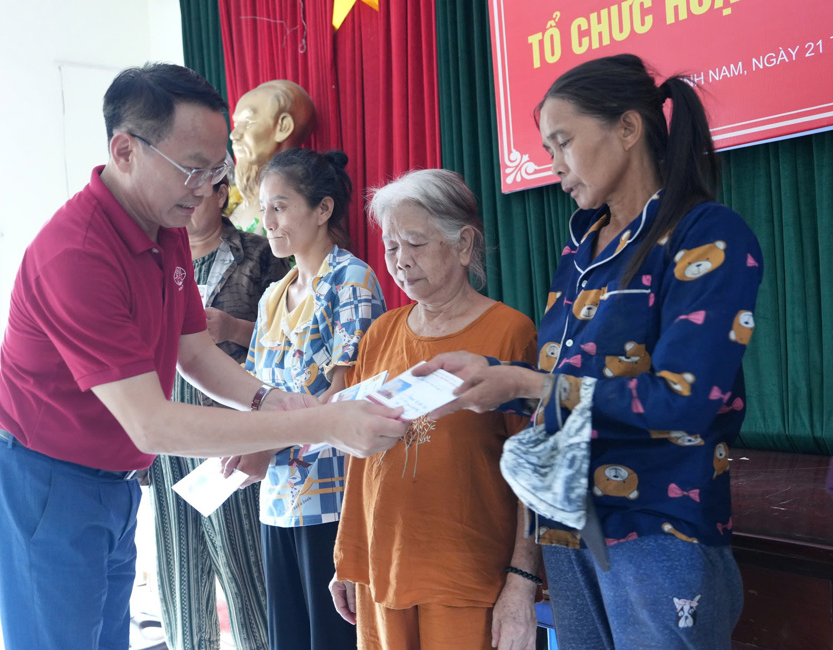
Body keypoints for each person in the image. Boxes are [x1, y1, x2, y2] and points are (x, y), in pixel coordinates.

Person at [0, 63, 407, 650]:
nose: (206, 188)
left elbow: (194, 352)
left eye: (217, 169)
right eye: (191, 169)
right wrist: (323, 421)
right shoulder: (77, 254)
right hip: (45, 481)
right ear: (125, 150)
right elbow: (152, 422)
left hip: (116, 481)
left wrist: (271, 400)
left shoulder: (164, 226)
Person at [418, 54, 764, 649]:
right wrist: (494, 376)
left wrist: (526, 386)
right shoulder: (582, 248)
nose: (553, 166)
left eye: (563, 142)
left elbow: (682, 400)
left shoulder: (705, 233)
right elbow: (570, 385)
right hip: (569, 528)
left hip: (659, 531)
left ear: (627, 130)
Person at [328, 169, 541, 650]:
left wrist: (521, 580)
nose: (400, 262)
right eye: (391, 247)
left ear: (464, 244)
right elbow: (359, 458)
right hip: (381, 572)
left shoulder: (509, 332)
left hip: (468, 577)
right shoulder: (380, 333)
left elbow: (534, 469)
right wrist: (347, 557)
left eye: (415, 244)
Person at [223, 147, 384, 650]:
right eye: (263, 208)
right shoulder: (274, 294)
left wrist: (267, 445)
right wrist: (242, 442)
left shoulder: (351, 280)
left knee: (333, 638)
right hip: (276, 498)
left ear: (323, 210)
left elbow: (345, 396)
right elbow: (254, 391)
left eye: (280, 206)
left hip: (332, 498)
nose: (266, 221)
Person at [147, 171, 291, 650]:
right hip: (171, 425)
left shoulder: (259, 253)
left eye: (197, 193)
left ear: (221, 192)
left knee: (243, 566)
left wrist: (230, 327)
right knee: (179, 572)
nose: (185, 203)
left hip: (231, 426)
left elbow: (285, 343)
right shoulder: (158, 257)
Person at [229, 80, 315, 232]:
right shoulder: (235, 204)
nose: (234, 135)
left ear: (283, 127)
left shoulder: (307, 206)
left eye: (247, 122)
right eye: (236, 124)